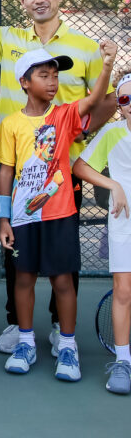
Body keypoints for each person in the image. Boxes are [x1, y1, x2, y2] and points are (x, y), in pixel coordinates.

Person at [0, 0, 117, 354]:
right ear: (22, 2)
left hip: (63, 171)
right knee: (14, 253)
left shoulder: (86, 48)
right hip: (17, 169)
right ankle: (16, 325)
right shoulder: (9, 40)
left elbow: (103, 102)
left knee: (64, 255)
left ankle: (61, 327)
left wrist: (78, 133)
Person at [0, 45, 117, 381]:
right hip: (23, 218)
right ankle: (24, 343)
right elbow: (6, 173)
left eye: (55, 75)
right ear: (24, 82)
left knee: (63, 280)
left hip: (61, 214)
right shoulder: (10, 125)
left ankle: (67, 346)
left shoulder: (64, 116)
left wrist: (106, 66)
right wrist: (4, 219)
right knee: (23, 278)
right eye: (43, 75)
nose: (52, 81)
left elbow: (92, 101)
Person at [73, 73, 131, 394]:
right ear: (119, 106)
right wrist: (114, 184)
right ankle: (123, 362)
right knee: (123, 291)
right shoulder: (111, 133)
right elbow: (79, 166)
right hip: (124, 222)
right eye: (124, 100)